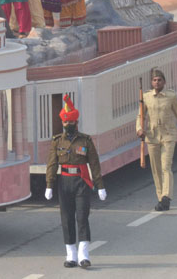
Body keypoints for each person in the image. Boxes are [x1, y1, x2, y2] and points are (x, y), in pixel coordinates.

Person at [45, 96, 106, 268]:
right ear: (62, 122)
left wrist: (100, 185)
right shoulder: (57, 141)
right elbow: (52, 164)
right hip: (64, 182)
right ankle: (70, 254)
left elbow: (94, 163)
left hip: (81, 182)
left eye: (71, 122)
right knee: (66, 218)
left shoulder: (85, 141)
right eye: (66, 122)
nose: (68, 125)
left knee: (82, 217)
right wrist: (49, 184)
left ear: (76, 122)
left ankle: (83, 255)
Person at [136, 70, 177, 211]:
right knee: (156, 169)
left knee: (166, 166)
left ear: (164, 82)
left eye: (159, 80)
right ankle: (161, 199)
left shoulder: (171, 96)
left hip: (168, 135)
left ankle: (166, 196)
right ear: (151, 82)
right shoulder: (146, 97)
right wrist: (139, 129)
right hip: (152, 136)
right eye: (154, 80)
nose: (157, 82)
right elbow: (140, 115)